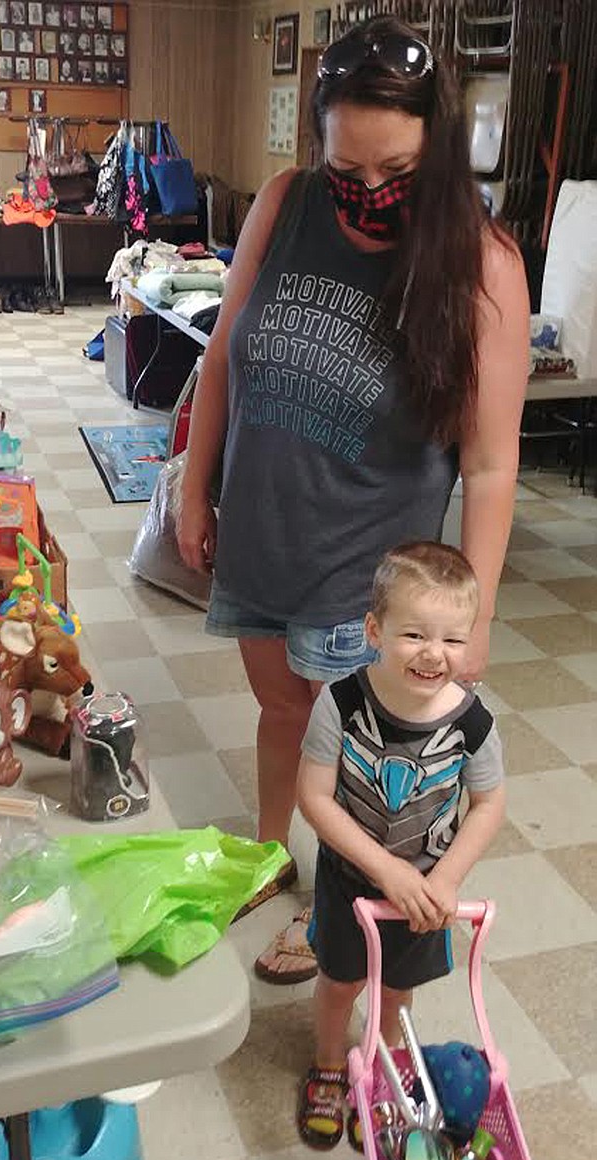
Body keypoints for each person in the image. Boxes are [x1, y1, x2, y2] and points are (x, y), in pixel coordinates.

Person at [176, 18, 529, 968]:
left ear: (440, 148)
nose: (370, 196)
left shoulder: (486, 263)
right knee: (282, 714)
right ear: (319, 146)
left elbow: (492, 462)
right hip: (263, 533)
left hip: (368, 567)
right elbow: (223, 357)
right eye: (350, 173)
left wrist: (476, 616)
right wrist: (194, 490)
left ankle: (328, 915)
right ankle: (266, 858)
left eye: (397, 174)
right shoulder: (287, 202)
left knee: (357, 764)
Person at [296, 541, 505, 1147]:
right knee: (340, 982)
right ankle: (331, 1066)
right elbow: (315, 798)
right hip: (350, 879)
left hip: (424, 894)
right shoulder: (340, 703)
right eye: (414, 634)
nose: (433, 654)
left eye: (452, 640)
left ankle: (384, 1076)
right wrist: (384, 869)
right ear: (374, 629)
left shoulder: (474, 726)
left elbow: (489, 805)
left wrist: (444, 880)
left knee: (396, 992)